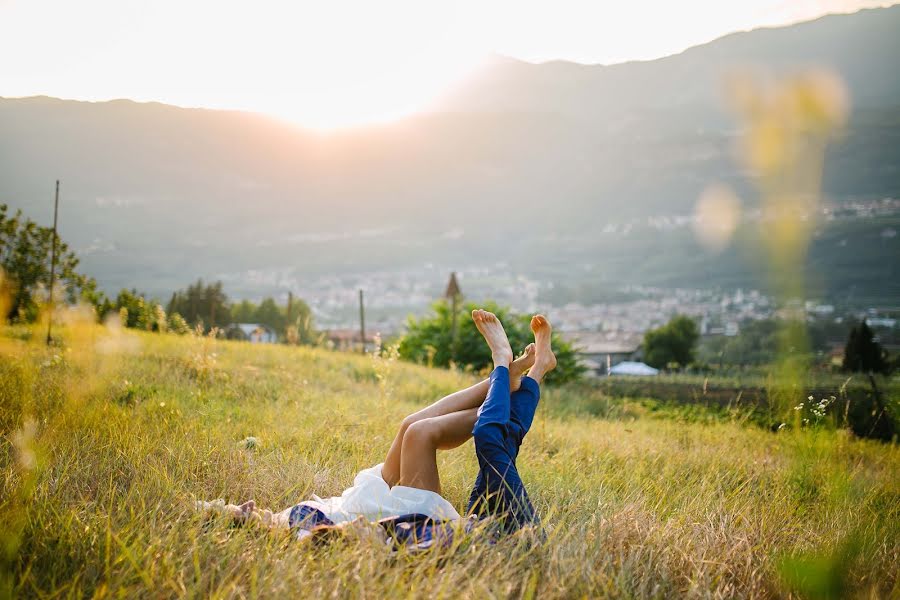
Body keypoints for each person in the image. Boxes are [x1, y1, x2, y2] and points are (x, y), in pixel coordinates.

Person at [197, 309, 556, 548]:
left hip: (362, 501)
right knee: (422, 434)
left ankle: (502, 381)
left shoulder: (280, 523)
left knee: (408, 426)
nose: (245, 503)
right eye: (234, 511)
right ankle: (503, 381)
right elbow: (346, 538)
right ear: (240, 529)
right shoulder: (290, 534)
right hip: (391, 516)